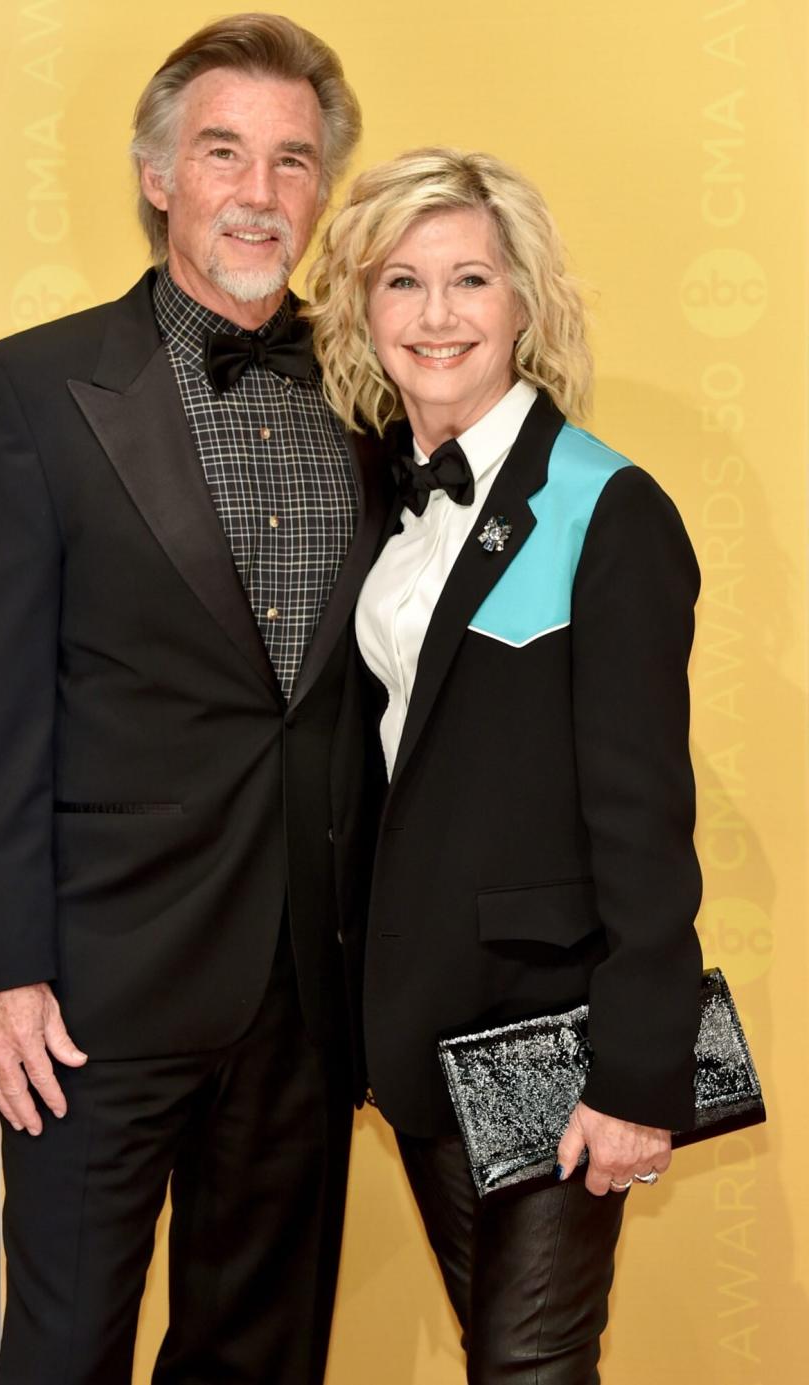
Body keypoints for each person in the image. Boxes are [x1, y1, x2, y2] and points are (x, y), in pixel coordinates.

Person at [0, 15, 391, 1384]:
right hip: (93, 993)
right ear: (157, 174)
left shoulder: (382, 388)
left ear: (322, 191)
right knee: (67, 1348)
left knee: (262, 1354)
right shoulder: (30, 390)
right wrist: (0, 971)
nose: (259, 193)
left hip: (310, 986)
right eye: (223, 152)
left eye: (293, 161)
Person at [306, 147, 703, 1382]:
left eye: (471, 279)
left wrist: (640, 1070)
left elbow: (643, 813)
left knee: (529, 1359)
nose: (437, 316)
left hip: (555, 1026)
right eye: (403, 281)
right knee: (511, 1350)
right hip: (423, 1012)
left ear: (524, 302)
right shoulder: (382, 489)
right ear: (364, 305)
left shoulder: (607, 507)